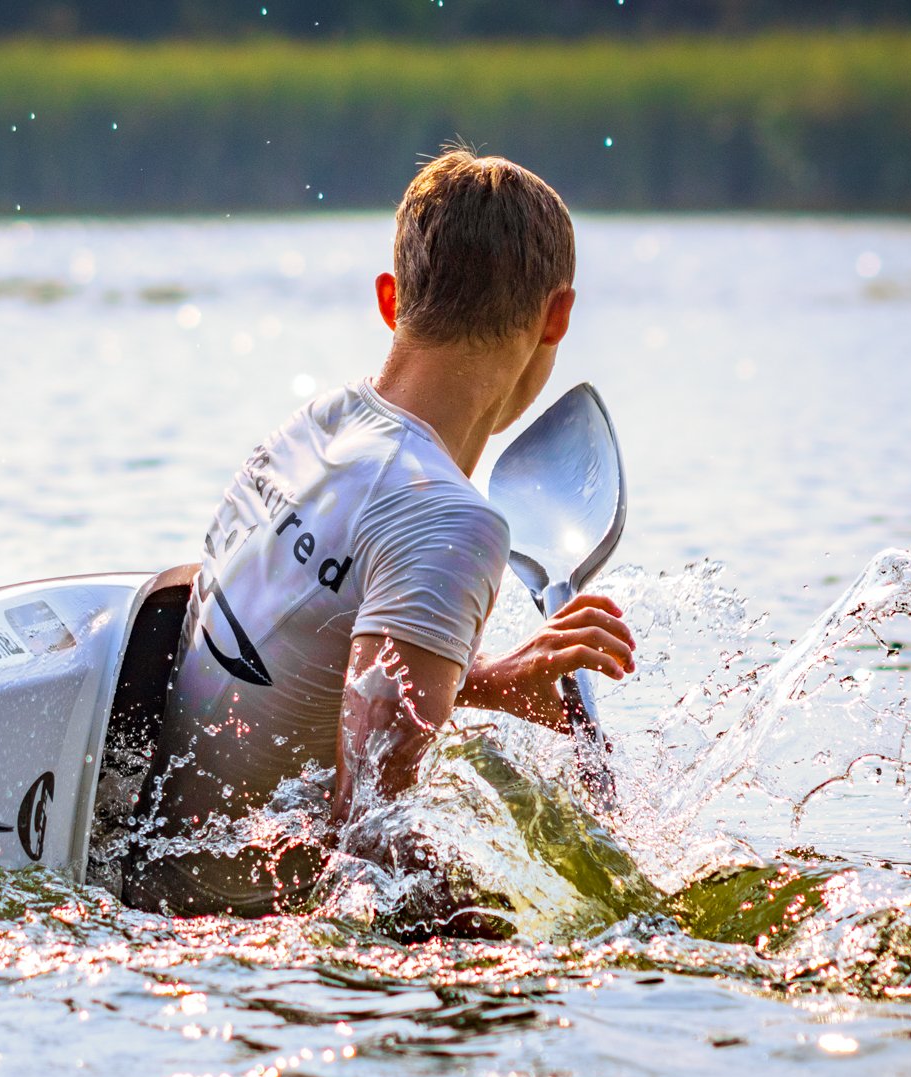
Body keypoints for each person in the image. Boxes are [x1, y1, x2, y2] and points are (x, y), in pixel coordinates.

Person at [123, 147, 639, 921]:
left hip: (138, 876)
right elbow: (372, 838)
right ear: (557, 315)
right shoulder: (450, 519)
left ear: (392, 299)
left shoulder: (319, 426)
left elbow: (308, 648)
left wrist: (490, 683)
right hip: (229, 936)